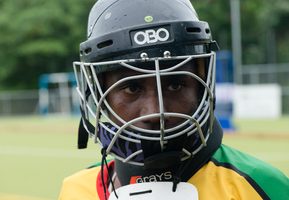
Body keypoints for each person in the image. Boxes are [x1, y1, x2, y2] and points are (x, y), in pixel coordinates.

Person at [59, 0, 289, 199]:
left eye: (174, 85)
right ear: (99, 93)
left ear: (201, 87)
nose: (155, 112)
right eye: (131, 87)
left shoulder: (258, 185)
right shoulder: (77, 191)